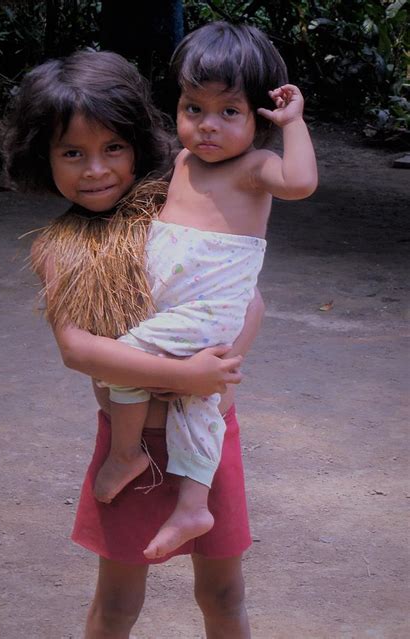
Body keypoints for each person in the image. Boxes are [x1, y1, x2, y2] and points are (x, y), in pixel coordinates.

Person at [3, 46, 265, 638]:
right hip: (132, 450)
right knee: (117, 602)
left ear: (139, 144)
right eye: (73, 153)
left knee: (224, 594)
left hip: (207, 435)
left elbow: (249, 301)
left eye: (112, 148)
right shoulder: (61, 249)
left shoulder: (173, 213)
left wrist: (217, 369)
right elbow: (78, 350)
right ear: (42, 159)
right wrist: (187, 376)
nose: (95, 169)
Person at [95, 20, 318, 561]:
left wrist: (294, 123)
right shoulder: (181, 162)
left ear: (258, 118)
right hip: (173, 308)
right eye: (194, 109)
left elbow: (302, 182)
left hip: (210, 313)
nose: (208, 126)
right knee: (199, 404)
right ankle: (194, 505)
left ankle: (126, 453)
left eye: (229, 112)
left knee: (120, 360)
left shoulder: (256, 168)